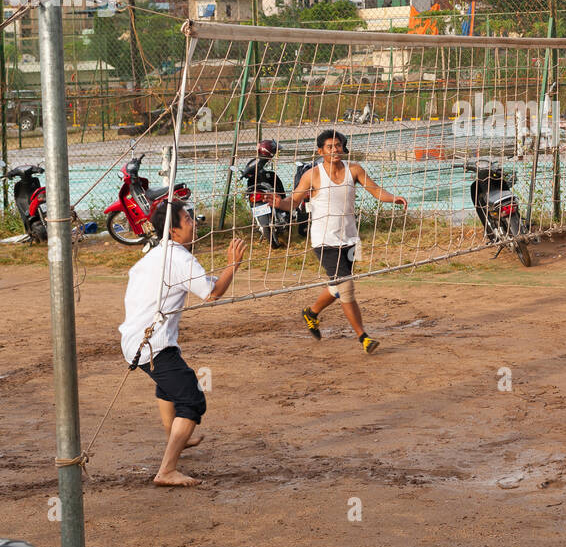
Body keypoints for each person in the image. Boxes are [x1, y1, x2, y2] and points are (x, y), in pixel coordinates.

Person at [118, 200, 247, 486]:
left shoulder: (158, 255)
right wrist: (233, 265)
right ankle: (166, 470)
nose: (194, 222)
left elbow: (207, 285)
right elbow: (211, 294)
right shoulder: (180, 258)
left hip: (135, 340)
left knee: (169, 388)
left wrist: (227, 272)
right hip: (152, 344)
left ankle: (176, 437)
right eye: (187, 219)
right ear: (173, 231)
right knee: (191, 400)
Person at [273, 129, 407, 353]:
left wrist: (393, 198)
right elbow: (293, 202)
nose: (335, 150)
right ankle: (364, 337)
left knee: (338, 286)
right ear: (320, 151)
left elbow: (375, 191)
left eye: (338, 145)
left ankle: (312, 313)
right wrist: (278, 203)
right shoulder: (312, 175)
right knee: (346, 287)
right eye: (329, 146)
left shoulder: (354, 170)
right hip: (324, 241)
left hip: (351, 238)